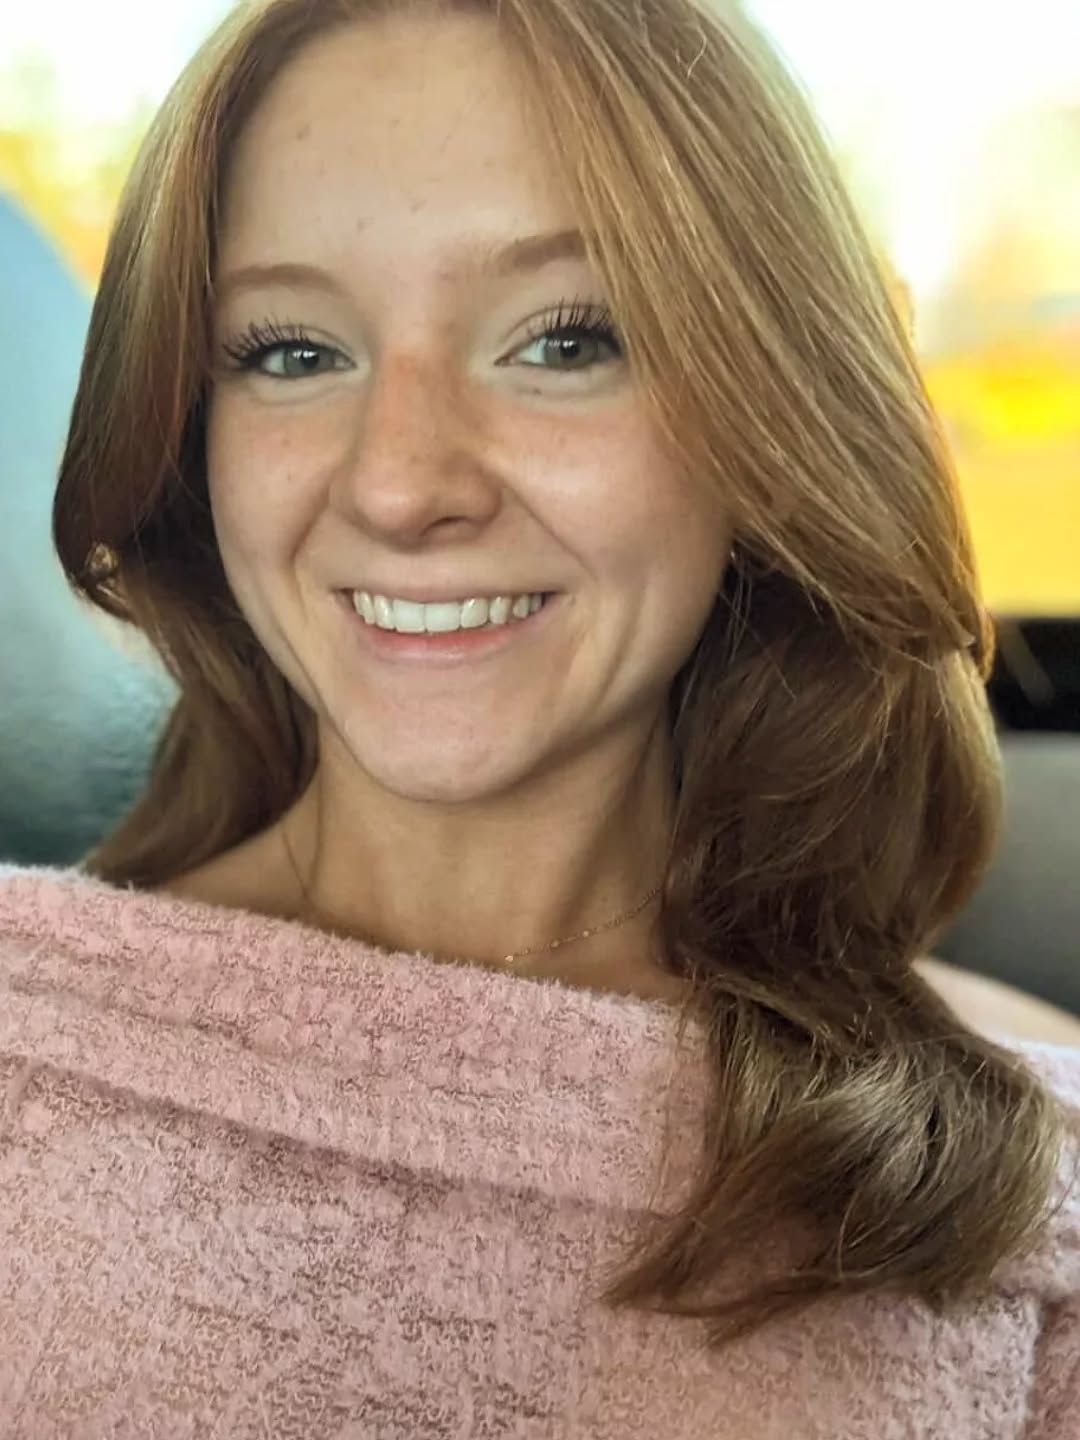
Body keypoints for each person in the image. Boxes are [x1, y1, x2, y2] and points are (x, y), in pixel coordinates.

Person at [1, 0, 1077, 1434]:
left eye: (564, 340)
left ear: (770, 413)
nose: (400, 485)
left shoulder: (1013, 1189)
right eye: (291, 353)